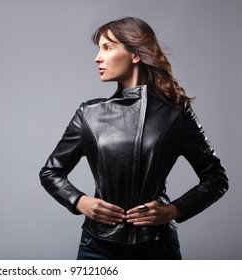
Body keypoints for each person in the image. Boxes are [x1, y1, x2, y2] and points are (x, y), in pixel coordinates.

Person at [39, 17, 228, 260]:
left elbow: (216, 178)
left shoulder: (175, 112)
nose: (98, 57)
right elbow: (50, 172)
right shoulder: (89, 113)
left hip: (158, 245)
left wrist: (172, 210)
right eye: (99, 49)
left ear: (135, 54)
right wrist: (81, 201)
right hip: (98, 246)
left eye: (108, 47)